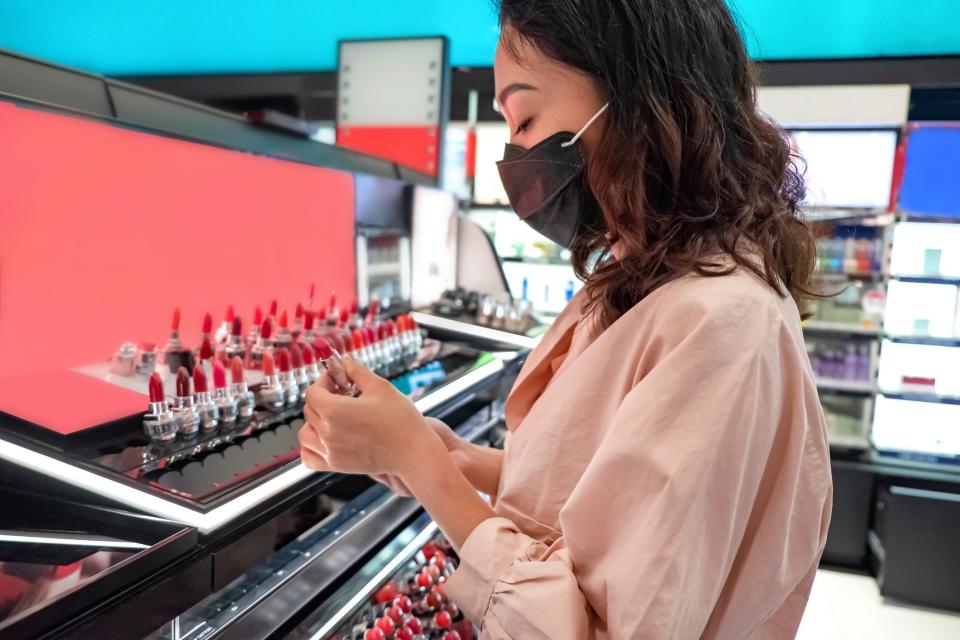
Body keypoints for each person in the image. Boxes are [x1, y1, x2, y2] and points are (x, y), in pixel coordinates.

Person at [298, 0, 832, 637]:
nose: (515, 153)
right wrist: (471, 463)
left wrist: (422, 464)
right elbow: (616, 498)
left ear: (639, 101)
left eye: (524, 117)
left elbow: (603, 624)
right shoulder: (641, 275)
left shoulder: (721, 323)